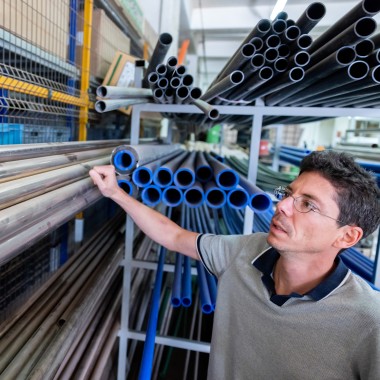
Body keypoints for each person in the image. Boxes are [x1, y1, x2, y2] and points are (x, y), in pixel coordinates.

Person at [89, 150, 380, 380]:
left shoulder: (370, 322)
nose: (282, 206)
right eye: (289, 194)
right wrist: (116, 193)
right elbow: (174, 236)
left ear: (347, 236)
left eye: (308, 204)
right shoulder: (245, 252)